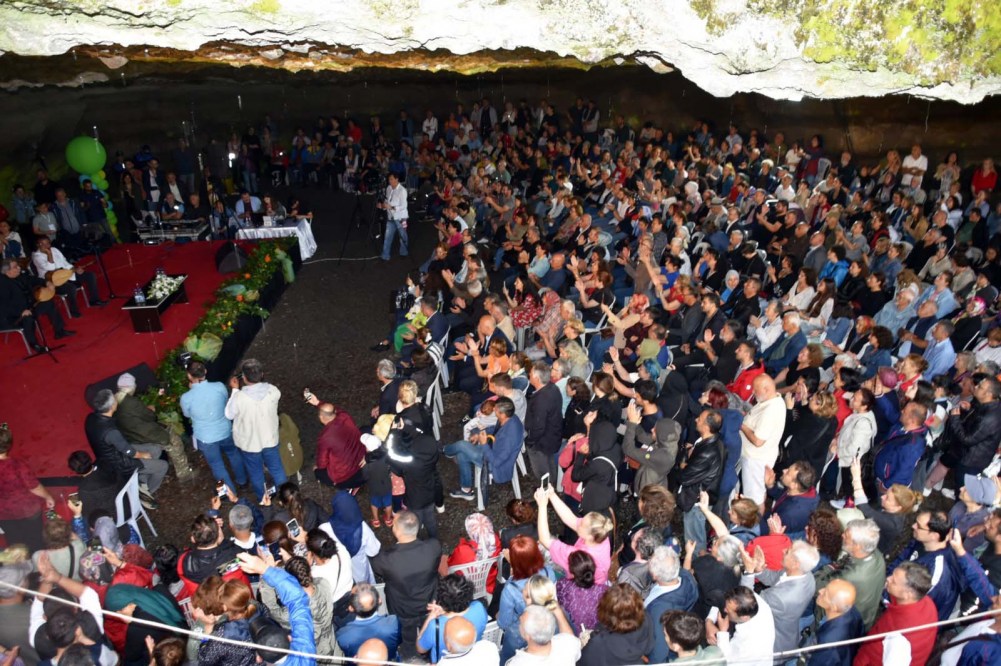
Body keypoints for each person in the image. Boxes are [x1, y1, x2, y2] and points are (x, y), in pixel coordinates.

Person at [370, 511, 441, 659]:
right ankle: (428, 650)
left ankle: (409, 653)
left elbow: (375, 565)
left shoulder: (386, 559)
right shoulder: (433, 547)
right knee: (428, 627)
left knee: (407, 634)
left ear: (396, 530)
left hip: (402, 608)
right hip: (429, 603)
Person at [84, 389, 167, 506]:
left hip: (109, 453)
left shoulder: (91, 418)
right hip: (119, 463)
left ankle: (141, 481)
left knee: (156, 450)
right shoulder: (110, 431)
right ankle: (145, 494)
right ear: (112, 406)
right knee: (163, 466)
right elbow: (130, 452)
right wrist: (142, 455)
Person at [853, 562, 938, 666]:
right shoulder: (927, 602)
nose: (888, 579)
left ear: (907, 594)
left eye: (893, 581)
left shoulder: (900, 641)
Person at [224, 359, 287, 501]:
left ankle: (263, 499)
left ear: (244, 378)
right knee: (277, 468)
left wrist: (234, 390)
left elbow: (229, 414)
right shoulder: (273, 391)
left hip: (250, 444)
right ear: (262, 374)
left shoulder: (239, 398)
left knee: (256, 472)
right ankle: (287, 497)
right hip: (270, 439)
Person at [181, 361, 247, 493]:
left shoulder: (186, 398)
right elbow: (225, 402)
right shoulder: (219, 386)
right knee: (233, 454)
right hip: (225, 430)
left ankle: (231, 493)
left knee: (217, 465)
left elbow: (187, 414)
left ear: (189, 376)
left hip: (206, 438)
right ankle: (242, 481)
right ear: (205, 371)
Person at [114, 372, 192, 481]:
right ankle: (184, 474)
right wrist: (151, 410)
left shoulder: (115, 401)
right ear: (131, 387)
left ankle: (171, 462)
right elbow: (151, 417)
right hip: (144, 435)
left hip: (131, 436)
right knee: (174, 441)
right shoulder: (131, 402)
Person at [445, 397, 523, 501]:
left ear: (502, 414)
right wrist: (479, 436)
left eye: (495, 410)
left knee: (462, 445)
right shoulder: (509, 417)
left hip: (495, 466)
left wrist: (484, 444)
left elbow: (496, 462)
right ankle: (466, 491)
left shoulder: (509, 437)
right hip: (492, 447)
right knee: (461, 455)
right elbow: (495, 430)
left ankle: (445, 451)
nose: (493, 410)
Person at [814, 519, 885, 629]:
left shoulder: (851, 577)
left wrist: (828, 567)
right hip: (865, 615)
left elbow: (816, 586)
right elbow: (847, 559)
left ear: (857, 546)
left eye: (846, 535)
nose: (842, 535)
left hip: (842, 623)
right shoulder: (876, 555)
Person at [534, 486, 613, 584]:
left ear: (590, 536)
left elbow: (544, 539)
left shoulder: (578, 556)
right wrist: (552, 495)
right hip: (600, 582)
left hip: (580, 585)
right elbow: (571, 519)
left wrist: (542, 506)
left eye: (581, 524)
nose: (578, 522)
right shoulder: (601, 533)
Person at [258, 556, 334, 656]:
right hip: (333, 647)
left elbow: (270, 607)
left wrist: (267, 574)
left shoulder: (290, 614)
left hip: (315, 656)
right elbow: (305, 578)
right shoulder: (324, 584)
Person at [0, 424, 55, 551]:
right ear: (8, 444)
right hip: (27, 511)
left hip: (4, 514)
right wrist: (48, 496)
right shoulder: (17, 465)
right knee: (36, 543)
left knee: (15, 545)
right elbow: (33, 486)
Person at [0, 257, 73, 351]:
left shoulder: (20, 276)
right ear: (7, 271)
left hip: (29, 307)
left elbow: (34, 279)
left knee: (48, 303)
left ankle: (59, 331)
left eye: (17, 266)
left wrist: (47, 282)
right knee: (28, 318)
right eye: (15, 267)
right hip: (13, 316)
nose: (19, 268)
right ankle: (34, 344)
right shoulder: (2, 284)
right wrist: (20, 312)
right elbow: (3, 307)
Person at [644, 546, 700, 663]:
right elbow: (686, 571)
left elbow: (659, 652)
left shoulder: (659, 611)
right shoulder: (687, 578)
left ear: (655, 576)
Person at [416, 575, 488, 663]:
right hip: (472, 655)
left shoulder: (435, 625)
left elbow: (420, 649)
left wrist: (430, 617)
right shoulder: (479, 607)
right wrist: (446, 610)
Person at [739, 374, 786, 505]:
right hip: (756, 457)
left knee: (754, 499)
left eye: (756, 389)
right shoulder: (771, 399)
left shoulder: (771, 410)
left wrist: (741, 425)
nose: (753, 392)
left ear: (766, 389)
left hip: (755, 460)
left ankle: (753, 518)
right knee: (758, 493)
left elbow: (758, 441)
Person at [303, 394, 366, 490]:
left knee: (318, 471)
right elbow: (337, 410)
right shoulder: (345, 416)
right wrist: (317, 403)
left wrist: (317, 468)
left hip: (346, 476)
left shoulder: (325, 437)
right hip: (362, 461)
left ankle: (344, 486)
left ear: (321, 417)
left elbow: (322, 463)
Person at [704, 585, 776, 666]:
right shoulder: (750, 599)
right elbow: (725, 601)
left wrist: (722, 633)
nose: (724, 610)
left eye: (728, 610)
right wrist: (709, 621)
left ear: (744, 617)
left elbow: (727, 661)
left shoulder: (750, 646)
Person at [31, 236, 105, 314]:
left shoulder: (54, 250)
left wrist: (74, 268)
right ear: (38, 245)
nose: (46, 246)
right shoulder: (36, 256)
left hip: (65, 274)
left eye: (47, 243)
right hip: (52, 281)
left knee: (90, 275)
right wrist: (49, 254)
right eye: (42, 244)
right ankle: (74, 310)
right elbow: (51, 268)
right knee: (71, 288)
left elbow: (65, 262)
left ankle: (94, 300)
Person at [320, 490, 381, 585]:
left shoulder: (324, 529)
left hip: (338, 574)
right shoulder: (362, 528)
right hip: (360, 572)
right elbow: (374, 551)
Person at [336, 583, 401, 660]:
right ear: (379, 600)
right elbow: (399, 641)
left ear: (351, 608)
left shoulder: (343, 635)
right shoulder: (393, 623)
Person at [808, 579, 864, 666]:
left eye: (825, 594)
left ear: (834, 607)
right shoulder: (852, 611)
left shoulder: (827, 642)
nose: (820, 591)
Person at [523, 363, 564, 481]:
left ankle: (546, 489)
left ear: (537, 378)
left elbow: (538, 427)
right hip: (553, 435)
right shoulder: (553, 388)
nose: (529, 375)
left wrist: (530, 441)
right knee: (550, 464)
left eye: (531, 374)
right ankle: (552, 484)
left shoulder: (541, 400)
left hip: (541, 442)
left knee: (542, 473)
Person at [443, 513, 501, 593]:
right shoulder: (496, 541)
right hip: (489, 582)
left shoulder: (462, 550)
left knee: (442, 559)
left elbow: (451, 564)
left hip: (465, 586)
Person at [505, 604, 581, 666]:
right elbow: (569, 638)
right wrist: (558, 611)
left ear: (528, 636)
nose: (519, 622)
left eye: (521, 622)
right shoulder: (569, 646)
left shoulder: (516, 663)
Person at [555, 550, 606, 631]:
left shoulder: (563, 585)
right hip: (600, 632)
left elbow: (560, 603)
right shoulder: (605, 590)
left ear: (572, 572)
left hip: (574, 632)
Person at [378, 172, 409, 261]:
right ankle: (385, 255)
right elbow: (387, 201)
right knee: (387, 236)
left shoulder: (402, 191)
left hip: (401, 218)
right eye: (389, 179)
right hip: (391, 217)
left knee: (402, 236)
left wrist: (391, 207)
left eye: (391, 179)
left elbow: (404, 206)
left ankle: (404, 252)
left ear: (396, 179)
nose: (390, 181)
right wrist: (383, 206)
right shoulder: (388, 188)